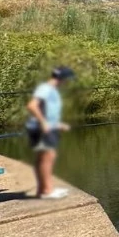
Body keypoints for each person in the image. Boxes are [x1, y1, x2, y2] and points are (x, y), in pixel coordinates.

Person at [25, 67, 75, 199]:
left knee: (43, 158)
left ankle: (42, 190)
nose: (68, 83)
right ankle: (47, 191)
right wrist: (43, 123)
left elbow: (48, 111)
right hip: (41, 129)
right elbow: (32, 105)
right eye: (68, 80)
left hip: (46, 128)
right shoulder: (46, 88)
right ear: (62, 79)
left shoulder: (52, 90)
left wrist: (57, 124)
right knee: (48, 157)